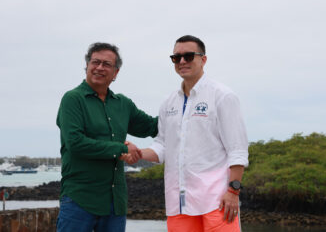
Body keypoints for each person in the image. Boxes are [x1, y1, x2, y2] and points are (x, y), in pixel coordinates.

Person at [140, 35, 249, 232]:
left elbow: (237, 149)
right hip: (178, 204)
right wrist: (138, 153)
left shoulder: (223, 96)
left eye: (188, 56)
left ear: (203, 59)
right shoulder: (168, 102)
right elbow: (163, 146)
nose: (182, 61)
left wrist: (233, 191)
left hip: (217, 201)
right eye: (176, 57)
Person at [56, 42, 157, 232]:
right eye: (96, 62)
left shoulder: (123, 104)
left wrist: (186, 108)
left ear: (116, 72)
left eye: (107, 64)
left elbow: (152, 126)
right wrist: (122, 148)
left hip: (114, 202)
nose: (100, 68)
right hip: (79, 200)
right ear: (87, 66)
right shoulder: (72, 99)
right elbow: (76, 143)